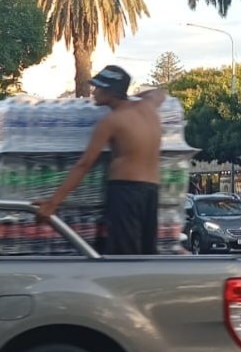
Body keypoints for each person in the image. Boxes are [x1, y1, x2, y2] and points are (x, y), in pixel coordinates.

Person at [36, 65, 166, 255]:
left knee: (125, 256)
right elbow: (160, 92)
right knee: (147, 254)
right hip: (151, 192)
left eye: (98, 88)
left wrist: (53, 202)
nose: (94, 92)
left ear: (111, 92)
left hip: (125, 193)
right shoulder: (149, 106)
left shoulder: (112, 121)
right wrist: (135, 97)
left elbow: (84, 164)